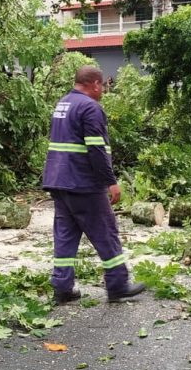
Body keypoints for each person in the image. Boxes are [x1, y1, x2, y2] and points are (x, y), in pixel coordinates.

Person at [42, 66, 146, 304]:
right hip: (83, 182)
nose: (104, 91)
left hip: (59, 182)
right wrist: (110, 181)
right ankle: (118, 285)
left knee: (65, 236)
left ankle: (62, 287)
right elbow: (96, 149)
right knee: (105, 232)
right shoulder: (90, 107)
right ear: (95, 84)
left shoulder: (63, 104)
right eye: (104, 86)